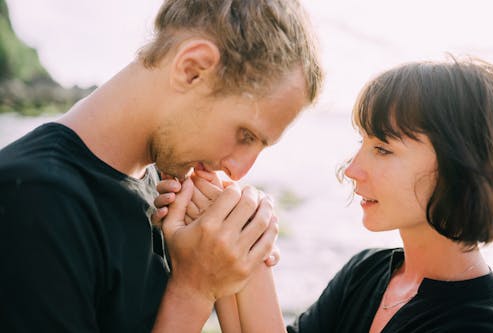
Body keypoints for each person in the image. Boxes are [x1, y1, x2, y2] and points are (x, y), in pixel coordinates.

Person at [0, 0, 323, 332]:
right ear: (192, 69)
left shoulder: (165, 190)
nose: (238, 171)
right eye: (245, 134)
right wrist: (194, 289)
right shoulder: (32, 202)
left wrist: (241, 256)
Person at [158, 57, 493, 332]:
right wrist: (236, 239)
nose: (351, 170)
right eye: (361, 143)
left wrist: (246, 245)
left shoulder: (480, 322)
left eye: (382, 149)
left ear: (461, 166)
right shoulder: (365, 272)